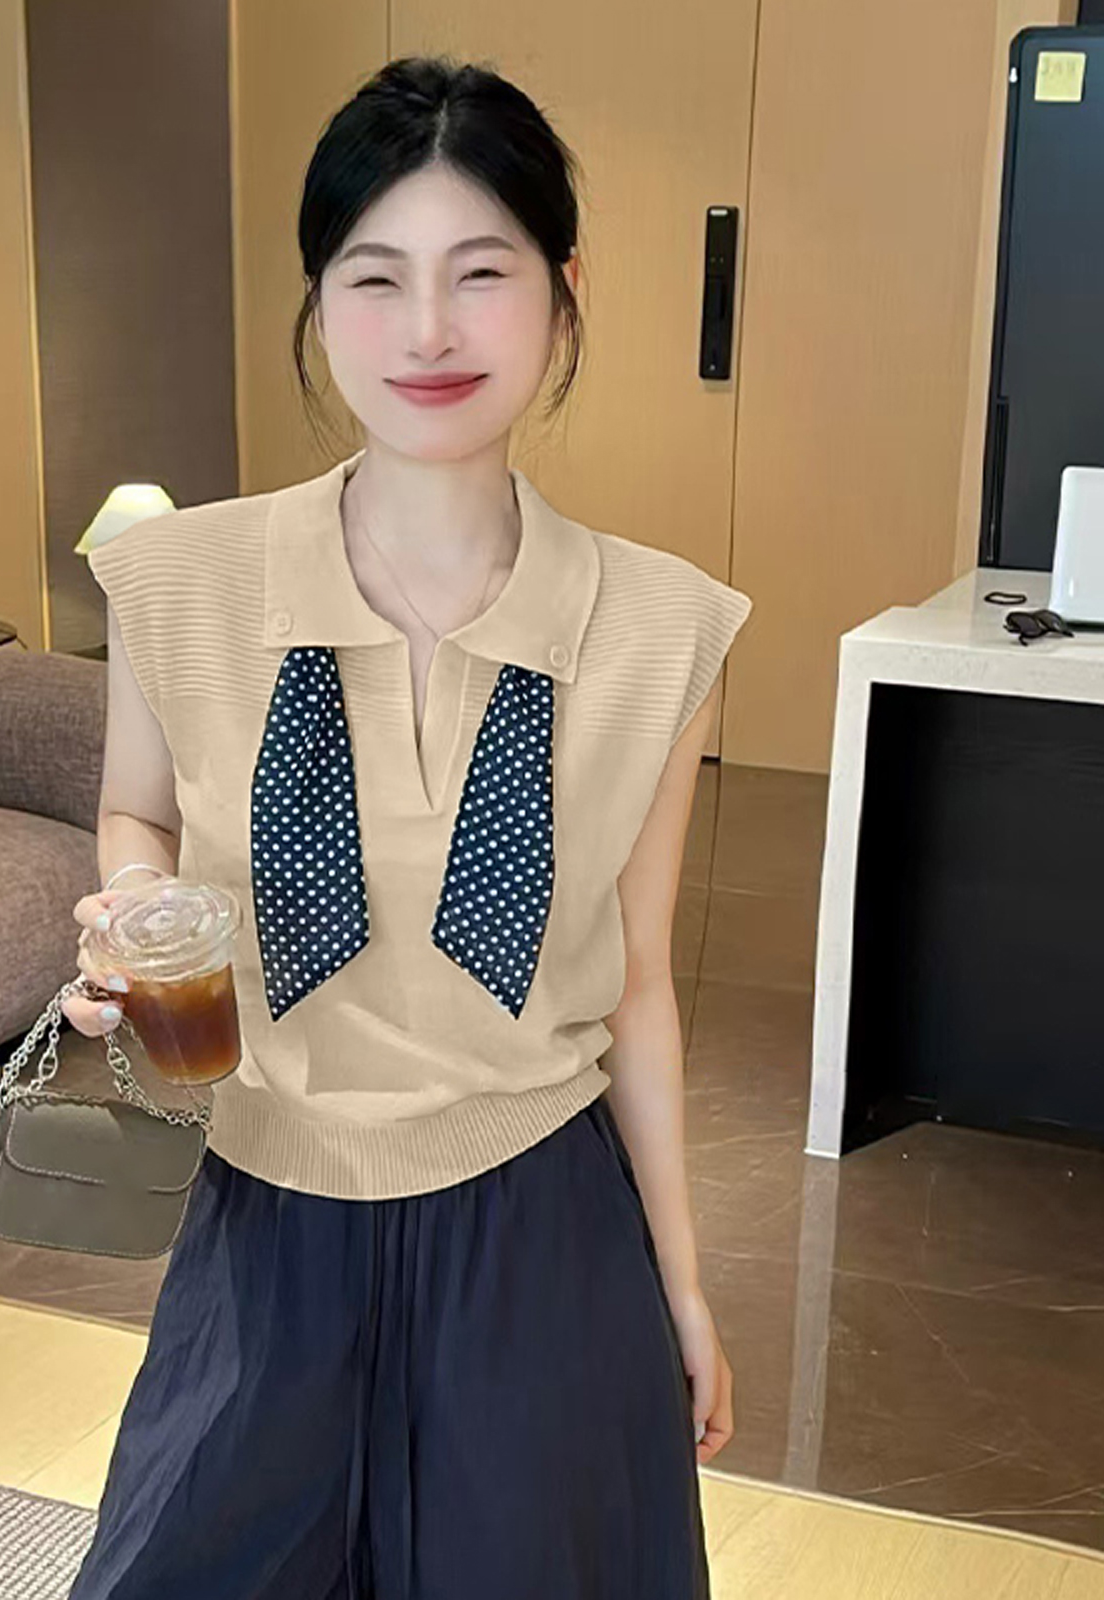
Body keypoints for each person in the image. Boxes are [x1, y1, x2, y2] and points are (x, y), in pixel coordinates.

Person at [59, 53, 752, 1600]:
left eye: (480, 273)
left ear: (563, 295)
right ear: (319, 305)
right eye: (375, 277)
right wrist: (131, 906)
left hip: (538, 1223)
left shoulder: (663, 629)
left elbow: (639, 982)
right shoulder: (178, 581)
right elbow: (134, 810)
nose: (427, 330)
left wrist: (683, 1287)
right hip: (267, 1210)